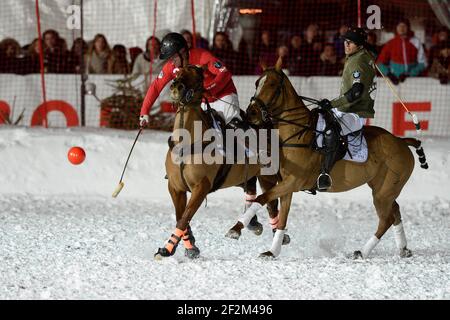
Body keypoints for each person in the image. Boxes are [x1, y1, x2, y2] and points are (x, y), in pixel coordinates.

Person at [139, 32, 261, 229]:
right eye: (169, 59)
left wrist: (209, 89)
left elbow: (224, 73)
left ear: (182, 52)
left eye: (173, 57)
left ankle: (252, 155)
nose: (171, 62)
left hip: (222, 96)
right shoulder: (173, 66)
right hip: (200, 102)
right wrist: (144, 112)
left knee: (233, 125)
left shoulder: (202, 57)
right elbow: (155, 86)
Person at [316, 27, 376, 191]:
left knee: (330, 130)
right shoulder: (356, 56)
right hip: (346, 109)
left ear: (359, 45)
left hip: (356, 112)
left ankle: (325, 173)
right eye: (345, 41)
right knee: (318, 119)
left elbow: (356, 92)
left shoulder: (358, 61)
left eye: (350, 42)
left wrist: (332, 103)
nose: (346, 45)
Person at [376, 19, 427, 84]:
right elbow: (379, 63)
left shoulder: (416, 42)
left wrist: (410, 74)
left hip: (413, 81)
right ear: (396, 28)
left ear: (408, 28)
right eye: (399, 26)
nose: (401, 28)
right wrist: (389, 75)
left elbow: (423, 63)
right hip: (395, 81)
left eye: (404, 26)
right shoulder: (390, 43)